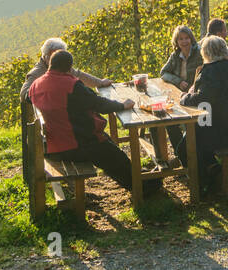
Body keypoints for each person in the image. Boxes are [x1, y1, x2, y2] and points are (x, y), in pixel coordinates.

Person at [27, 50, 156, 194]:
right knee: (113, 156)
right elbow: (98, 104)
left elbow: (28, 98)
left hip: (53, 146)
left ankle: (138, 176)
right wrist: (122, 105)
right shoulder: (70, 85)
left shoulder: (36, 85)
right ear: (70, 68)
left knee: (109, 145)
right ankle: (144, 187)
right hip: (76, 144)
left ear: (50, 65)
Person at [20, 37, 113, 168]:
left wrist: (100, 82)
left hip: (58, 131)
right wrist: (47, 92)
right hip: (59, 135)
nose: (60, 56)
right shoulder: (37, 73)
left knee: (100, 137)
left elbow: (78, 75)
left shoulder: (59, 66)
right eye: (57, 53)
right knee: (96, 139)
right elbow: (24, 94)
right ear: (48, 55)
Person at [178, 35, 228, 193]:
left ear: (205, 53)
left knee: (186, 145)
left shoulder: (211, 72)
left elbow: (203, 98)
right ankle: (212, 170)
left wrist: (185, 98)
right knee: (193, 136)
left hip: (225, 132)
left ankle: (207, 182)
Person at [160, 25, 203, 90]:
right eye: (181, 39)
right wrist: (179, 82)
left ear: (191, 39)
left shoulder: (200, 53)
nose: (184, 41)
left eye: (187, 38)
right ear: (176, 41)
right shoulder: (175, 55)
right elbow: (163, 73)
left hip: (195, 91)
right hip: (178, 90)